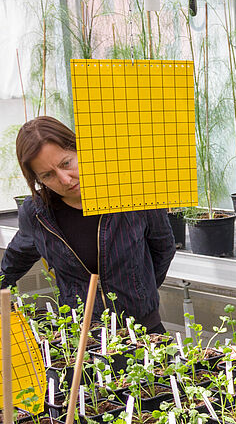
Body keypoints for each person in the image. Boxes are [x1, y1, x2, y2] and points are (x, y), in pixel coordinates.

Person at [0, 116, 175, 332]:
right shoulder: (37, 214)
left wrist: (139, 290)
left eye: (66, 163)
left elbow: (163, 247)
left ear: (79, 150)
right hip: (83, 341)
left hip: (144, 332)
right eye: (48, 175)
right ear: (37, 179)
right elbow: (15, 260)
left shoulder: (133, 192)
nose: (65, 179)